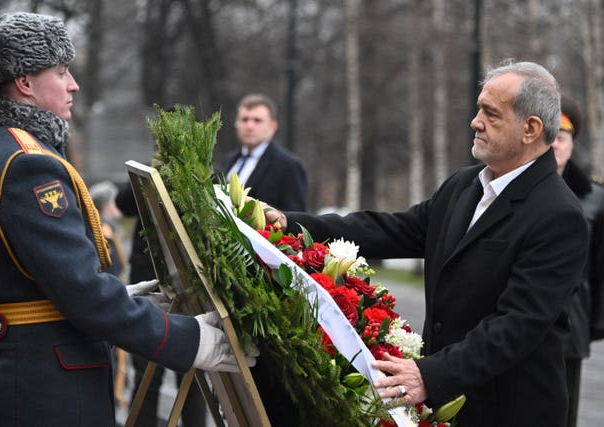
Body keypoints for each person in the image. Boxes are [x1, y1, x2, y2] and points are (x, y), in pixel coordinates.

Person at [264, 61, 588, 426]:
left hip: (509, 411)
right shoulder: (464, 185)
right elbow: (393, 229)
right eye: (479, 108)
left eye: (490, 113)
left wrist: (429, 375)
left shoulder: (558, 214)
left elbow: (518, 324)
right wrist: (292, 223)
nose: (475, 121)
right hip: (447, 402)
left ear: (530, 129)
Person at [0, 12, 248, 426]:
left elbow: (18, 281)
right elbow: (82, 294)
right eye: (61, 72)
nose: (74, 84)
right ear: (25, 83)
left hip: (11, 378)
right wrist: (191, 341)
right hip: (45, 393)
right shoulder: (28, 165)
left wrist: (126, 296)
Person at [115, 182, 208, 426]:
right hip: (149, 284)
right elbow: (122, 203)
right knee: (146, 378)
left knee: (192, 380)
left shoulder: (203, 174)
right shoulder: (146, 176)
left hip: (190, 289)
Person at [551, 94, 604, 427]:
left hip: (571, 327)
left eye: (562, 137)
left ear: (572, 143)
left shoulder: (595, 198)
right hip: (517, 322)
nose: (555, 145)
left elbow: (600, 269)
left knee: (563, 415)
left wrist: (592, 326)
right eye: (550, 136)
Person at [221, 93, 308, 211]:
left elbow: (296, 216)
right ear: (237, 124)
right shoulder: (229, 160)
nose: (249, 126)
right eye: (244, 119)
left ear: (273, 127)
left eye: (257, 120)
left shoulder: (289, 166)